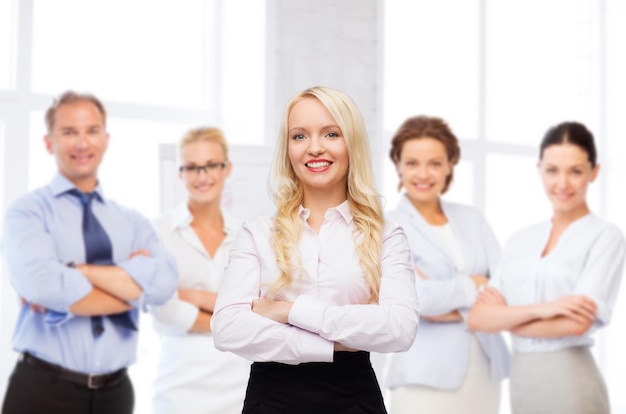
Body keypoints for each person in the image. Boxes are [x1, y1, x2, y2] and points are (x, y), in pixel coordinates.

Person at [211, 86, 419, 413]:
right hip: (272, 400)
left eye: (331, 133)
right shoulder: (257, 233)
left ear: (352, 143)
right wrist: (333, 343)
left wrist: (288, 311)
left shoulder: (387, 235)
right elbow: (227, 328)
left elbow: (399, 328)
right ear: (288, 149)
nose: (315, 148)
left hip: (354, 399)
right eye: (300, 136)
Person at [1, 91, 178, 414]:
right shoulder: (27, 212)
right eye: (69, 132)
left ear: (105, 139)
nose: (82, 143)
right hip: (43, 390)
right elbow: (43, 286)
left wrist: (77, 271)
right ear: (48, 142)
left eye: (91, 131)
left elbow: (165, 284)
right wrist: (133, 284)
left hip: (116, 393)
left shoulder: (132, 221)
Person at [468, 121, 626, 414]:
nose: (562, 183)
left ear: (594, 172)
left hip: (572, 381)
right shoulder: (520, 240)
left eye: (575, 171)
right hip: (523, 382)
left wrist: (504, 317)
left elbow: (577, 323)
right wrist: (546, 309)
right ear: (539, 169)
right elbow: (478, 318)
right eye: (552, 170)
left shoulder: (605, 236)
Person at [384, 115, 509, 414]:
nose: (423, 174)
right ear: (398, 164)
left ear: (450, 165)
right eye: (412, 163)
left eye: (435, 163)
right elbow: (418, 299)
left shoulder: (472, 218)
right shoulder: (386, 227)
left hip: (485, 371)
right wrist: (476, 284)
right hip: (423, 377)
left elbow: (506, 285)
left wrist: (447, 301)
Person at [149, 127, 250, 413]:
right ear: (180, 173)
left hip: (238, 381)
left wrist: (190, 296)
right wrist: (233, 318)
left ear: (227, 168)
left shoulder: (247, 234)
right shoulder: (157, 232)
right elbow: (164, 311)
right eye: (192, 168)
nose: (202, 176)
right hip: (179, 383)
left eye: (211, 166)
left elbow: (256, 309)